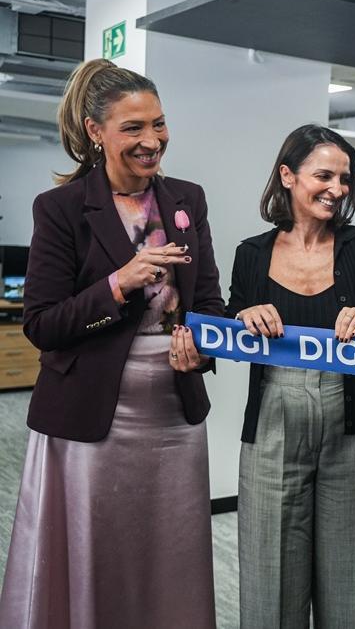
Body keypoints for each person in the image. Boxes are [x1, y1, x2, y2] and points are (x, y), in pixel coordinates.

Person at [0, 58, 222, 627]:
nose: (153, 141)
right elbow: (43, 324)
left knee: (170, 550)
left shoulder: (187, 199)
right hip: (92, 414)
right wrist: (119, 283)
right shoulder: (62, 209)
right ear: (96, 133)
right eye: (134, 128)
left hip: (173, 412)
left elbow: (210, 304)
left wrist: (200, 341)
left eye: (159, 124)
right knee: (96, 554)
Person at [227, 124, 355, 628]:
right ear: (287, 176)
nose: (337, 189)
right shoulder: (252, 253)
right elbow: (230, 328)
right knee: (270, 579)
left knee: (345, 579)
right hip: (273, 420)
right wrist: (243, 317)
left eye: (345, 178)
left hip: (350, 421)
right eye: (324, 175)